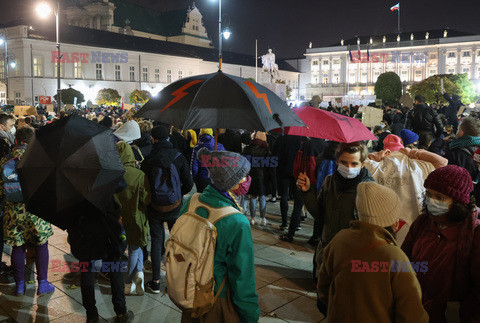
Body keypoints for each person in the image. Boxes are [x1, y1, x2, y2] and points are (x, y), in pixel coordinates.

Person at [317, 182, 428, 322]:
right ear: (394, 221)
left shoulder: (339, 239)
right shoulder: (394, 257)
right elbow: (412, 315)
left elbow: (323, 287)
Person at [180, 148, 260, 323]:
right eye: (243, 175)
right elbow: (242, 277)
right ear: (229, 181)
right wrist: (250, 314)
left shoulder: (192, 201)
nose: (246, 179)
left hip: (189, 290)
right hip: (217, 299)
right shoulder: (237, 222)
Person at [402, 165, 480, 322]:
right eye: (429, 194)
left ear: (458, 201)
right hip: (415, 309)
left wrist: (461, 314)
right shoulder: (422, 222)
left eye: (440, 197)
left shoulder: (473, 232)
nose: (431, 201)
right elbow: (404, 260)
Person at [297, 142, 374, 283]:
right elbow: (320, 215)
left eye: (354, 164)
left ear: (362, 164)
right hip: (327, 251)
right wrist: (307, 192)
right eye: (344, 163)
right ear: (337, 161)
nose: (348, 168)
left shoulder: (368, 189)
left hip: (352, 257)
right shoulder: (329, 181)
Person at [1, 126, 54, 294]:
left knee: (18, 247)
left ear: (16, 141)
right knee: (41, 245)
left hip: (13, 211)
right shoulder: (40, 160)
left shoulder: (4, 161)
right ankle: (43, 283)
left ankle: (20, 285)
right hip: (36, 211)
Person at [366, 134, 447, 244]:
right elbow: (443, 162)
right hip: (414, 220)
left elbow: (357, 163)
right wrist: (414, 153)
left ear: (385, 149)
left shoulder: (374, 165)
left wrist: (374, 156)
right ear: (402, 146)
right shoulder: (420, 164)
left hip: (383, 221)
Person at [141, 125, 193, 294]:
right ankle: (177, 278)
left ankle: (155, 282)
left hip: (155, 207)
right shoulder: (178, 157)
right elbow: (189, 183)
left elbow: (144, 185)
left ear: (153, 139)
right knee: (177, 241)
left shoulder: (148, 159)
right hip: (175, 206)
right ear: (168, 138)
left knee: (156, 243)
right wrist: (178, 195)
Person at [114, 142, 151, 296]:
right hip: (136, 217)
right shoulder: (139, 175)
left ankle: (139, 274)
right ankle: (129, 281)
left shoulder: (113, 174)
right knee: (135, 248)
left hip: (117, 219)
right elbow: (146, 199)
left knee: (134, 248)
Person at [241, 131, 270, 225]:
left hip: (251, 175)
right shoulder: (266, 150)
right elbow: (269, 166)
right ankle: (262, 219)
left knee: (252, 197)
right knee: (262, 197)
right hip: (262, 176)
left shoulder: (247, 149)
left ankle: (252, 218)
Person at [275, 134, 302, 229]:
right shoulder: (300, 139)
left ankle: (284, 222)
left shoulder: (282, 138)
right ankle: (296, 223)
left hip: (284, 171)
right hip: (296, 171)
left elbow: (276, 155)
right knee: (297, 198)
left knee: (284, 196)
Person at [191, 128, 225, 193]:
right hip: (216, 179)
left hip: (202, 179)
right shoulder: (220, 147)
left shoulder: (197, 148)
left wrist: (195, 179)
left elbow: (194, 166)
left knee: (202, 200)